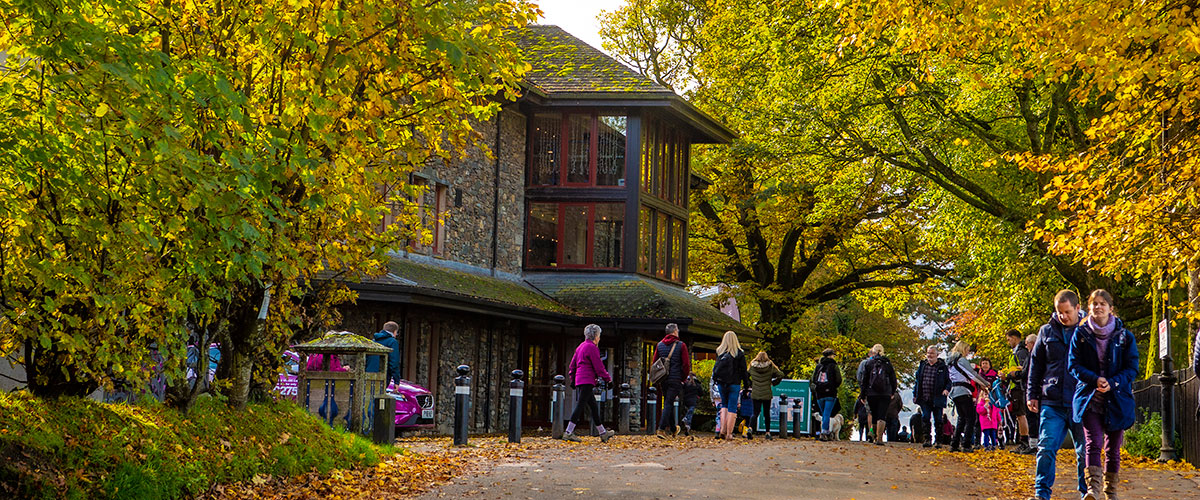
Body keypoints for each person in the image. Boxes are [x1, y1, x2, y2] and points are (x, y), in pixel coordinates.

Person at [1068, 289, 1138, 500]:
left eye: (1102, 303)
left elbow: (1132, 367)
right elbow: (1073, 365)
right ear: (1088, 308)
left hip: (1117, 399)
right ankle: (1093, 490)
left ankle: (1111, 492)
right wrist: (1093, 379)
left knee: (1113, 449)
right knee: (1093, 443)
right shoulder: (1080, 334)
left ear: (1110, 308)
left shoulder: (1125, 336)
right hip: (1091, 398)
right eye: (1094, 304)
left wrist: (1113, 382)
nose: (1098, 307)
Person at [1026, 289, 1087, 500]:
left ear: (1078, 308)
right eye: (1059, 312)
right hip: (1051, 400)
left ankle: (1087, 493)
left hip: (1082, 401)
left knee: (1084, 452)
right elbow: (1036, 365)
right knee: (1046, 448)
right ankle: (1041, 494)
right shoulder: (1046, 331)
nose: (1063, 316)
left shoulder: (1089, 330)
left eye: (1067, 312)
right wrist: (1031, 394)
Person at [563, 324, 615, 443]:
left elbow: (572, 366)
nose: (599, 338)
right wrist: (608, 379)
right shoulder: (592, 348)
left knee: (593, 406)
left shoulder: (580, 347)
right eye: (599, 336)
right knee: (581, 405)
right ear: (595, 336)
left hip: (581, 380)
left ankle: (602, 433)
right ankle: (568, 432)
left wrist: (573, 379)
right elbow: (599, 366)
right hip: (587, 380)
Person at [947, 340, 989, 453]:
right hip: (963, 391)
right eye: (967, 350)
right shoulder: (961, 360)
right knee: (970, 418)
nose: (968, 352)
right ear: (963, 349)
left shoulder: (950, 362)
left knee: (961, 418)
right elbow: (973, 374)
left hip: (955, 392)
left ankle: (954, 444)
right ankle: (966, 444)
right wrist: (985, 384)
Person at [655, 323, 691, 439]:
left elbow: (655, 362)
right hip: (675, 379)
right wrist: (683, 378)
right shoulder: (681, 345)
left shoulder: (659, 345)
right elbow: (686, 364)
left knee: (667, 402)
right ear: (675, 332)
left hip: (663, 378)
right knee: (668, 403)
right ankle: (661, 429)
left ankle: (674, 429)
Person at [711, 330, 749, 440]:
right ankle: (729, 433)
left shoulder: (720, 352)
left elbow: (716, 369)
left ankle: (722, 429)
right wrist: (746, 386)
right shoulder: (739, 354)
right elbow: (744, 371)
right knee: (732, 407)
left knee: (724, 405)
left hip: (722, 383)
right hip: (734, 383)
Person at [858, 344, 897, 446]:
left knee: (874, 414)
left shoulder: (869, 363)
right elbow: (893, 379)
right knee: (882, 415)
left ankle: (874, 437)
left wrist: (863, 395)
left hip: (872, 393)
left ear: (873, 351)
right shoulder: (887, 363)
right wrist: (892, 391)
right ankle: (880, 438)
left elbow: (864, 380)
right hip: (885, 393)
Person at [913, 345, 950, 448]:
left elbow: (948, 381)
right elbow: (917, 381)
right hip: (924, 397)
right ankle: (927, 439)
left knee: (938, 419)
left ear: (937, 355)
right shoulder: (922, 365)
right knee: (925, 417)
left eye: (932, 353)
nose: (930, 355)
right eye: (928, 353)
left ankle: (938, 441)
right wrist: (915, 394)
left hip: (937, 398)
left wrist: (946, 389)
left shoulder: (943, 367)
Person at [1006, 329, 1034, 454]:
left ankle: (1025, 442)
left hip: (1019, 387)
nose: (1008, 342)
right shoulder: (1016, 352)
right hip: (1016, 386)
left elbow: (1024, 370)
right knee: (1020, 415)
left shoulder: (1021, 352)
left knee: (1021, 415)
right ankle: (1024, 441)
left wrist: (1011, 375)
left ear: (1015, 337)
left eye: (1009, 339)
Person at [750, 351, 786, 439]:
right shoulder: (770, 366)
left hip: (756, 392)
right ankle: (767, 432)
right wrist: (774, 382)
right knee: (766, 413)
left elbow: (746, 375)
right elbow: (781, 374)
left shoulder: (752, 366)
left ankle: (750, 428)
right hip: (766, 393)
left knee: (755, 413)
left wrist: (751, 384)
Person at [809, 348, 842, 441]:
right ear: (831, 355)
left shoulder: (818, 366)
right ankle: (824, 432)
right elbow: (838, 379)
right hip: (830, 393)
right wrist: (833, 387)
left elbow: (813, 379)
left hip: (819, 393)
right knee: (827, 413)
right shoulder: (834, 366)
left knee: (824, 414)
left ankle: (825, 432)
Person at [365, 321, 402, 387]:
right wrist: (396, 381)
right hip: (383, 377)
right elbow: (394, 363)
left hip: (368, 376)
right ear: (394, 331)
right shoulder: (392, 342)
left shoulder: (373, 341)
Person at [1024, 332, 1041, 445]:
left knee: (1032, 417)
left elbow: (1027, 372)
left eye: (1027, 344)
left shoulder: (1033, 355)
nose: (1026, 346)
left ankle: (1034, 443)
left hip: (1034, 390)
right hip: (1037, 389)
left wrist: (1014, 374)